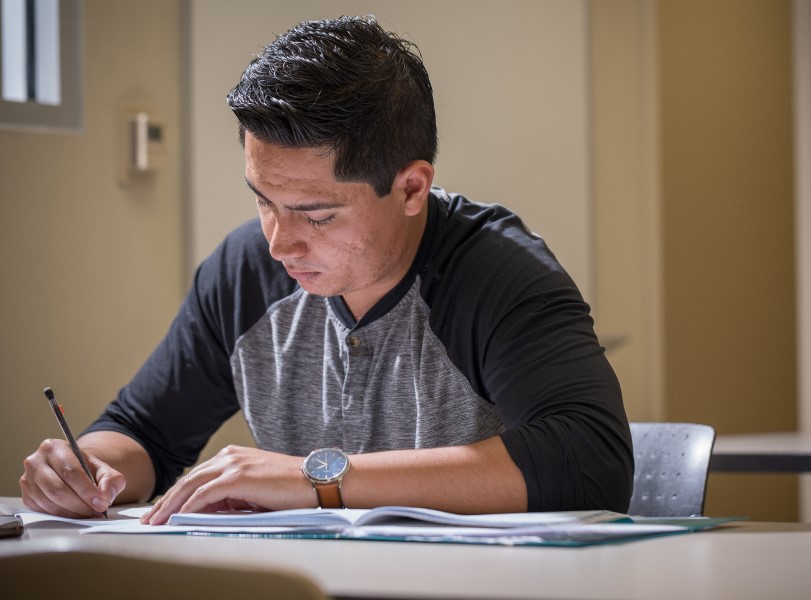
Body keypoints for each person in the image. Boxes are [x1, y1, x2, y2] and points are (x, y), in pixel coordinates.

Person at [20, 15, 633, 523]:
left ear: (412, 187)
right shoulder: (244, 271)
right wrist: (87, 466)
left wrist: (316, 479)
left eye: (316, 215)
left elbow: (588, 463)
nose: (280, 244)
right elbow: (143, 432)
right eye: (263, 200)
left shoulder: (500, 273)